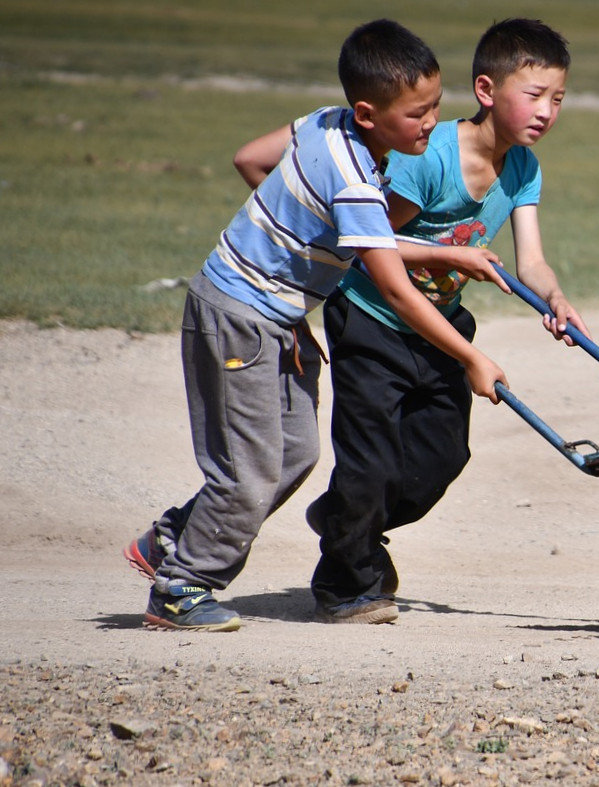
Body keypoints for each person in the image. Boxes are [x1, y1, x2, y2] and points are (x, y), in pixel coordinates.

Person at [121, 19, 445, 631]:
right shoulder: (356, 182)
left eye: (434, 105)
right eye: (416, 113)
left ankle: (175, 537)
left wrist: (289, 269)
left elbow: (250, 159)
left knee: (296, 452)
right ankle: (182, 586)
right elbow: (397, 291)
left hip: (273, 314)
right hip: (238, 316)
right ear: (368, 113)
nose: (431, 122)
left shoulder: (324, 122)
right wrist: (471, 358)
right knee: (248, 473)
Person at [302, 17, 589, 625]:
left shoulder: (523, 168)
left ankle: (344, 520)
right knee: (371, 464)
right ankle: (344, 582)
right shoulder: (429, 160)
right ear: (487, 90)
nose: (547, 111)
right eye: (534, 95)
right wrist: (453, 256)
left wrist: (556, 299)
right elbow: (368, 242)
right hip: (372, 320)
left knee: (441, 459)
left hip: (442, 328)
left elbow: (531, 263)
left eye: (558, 99)